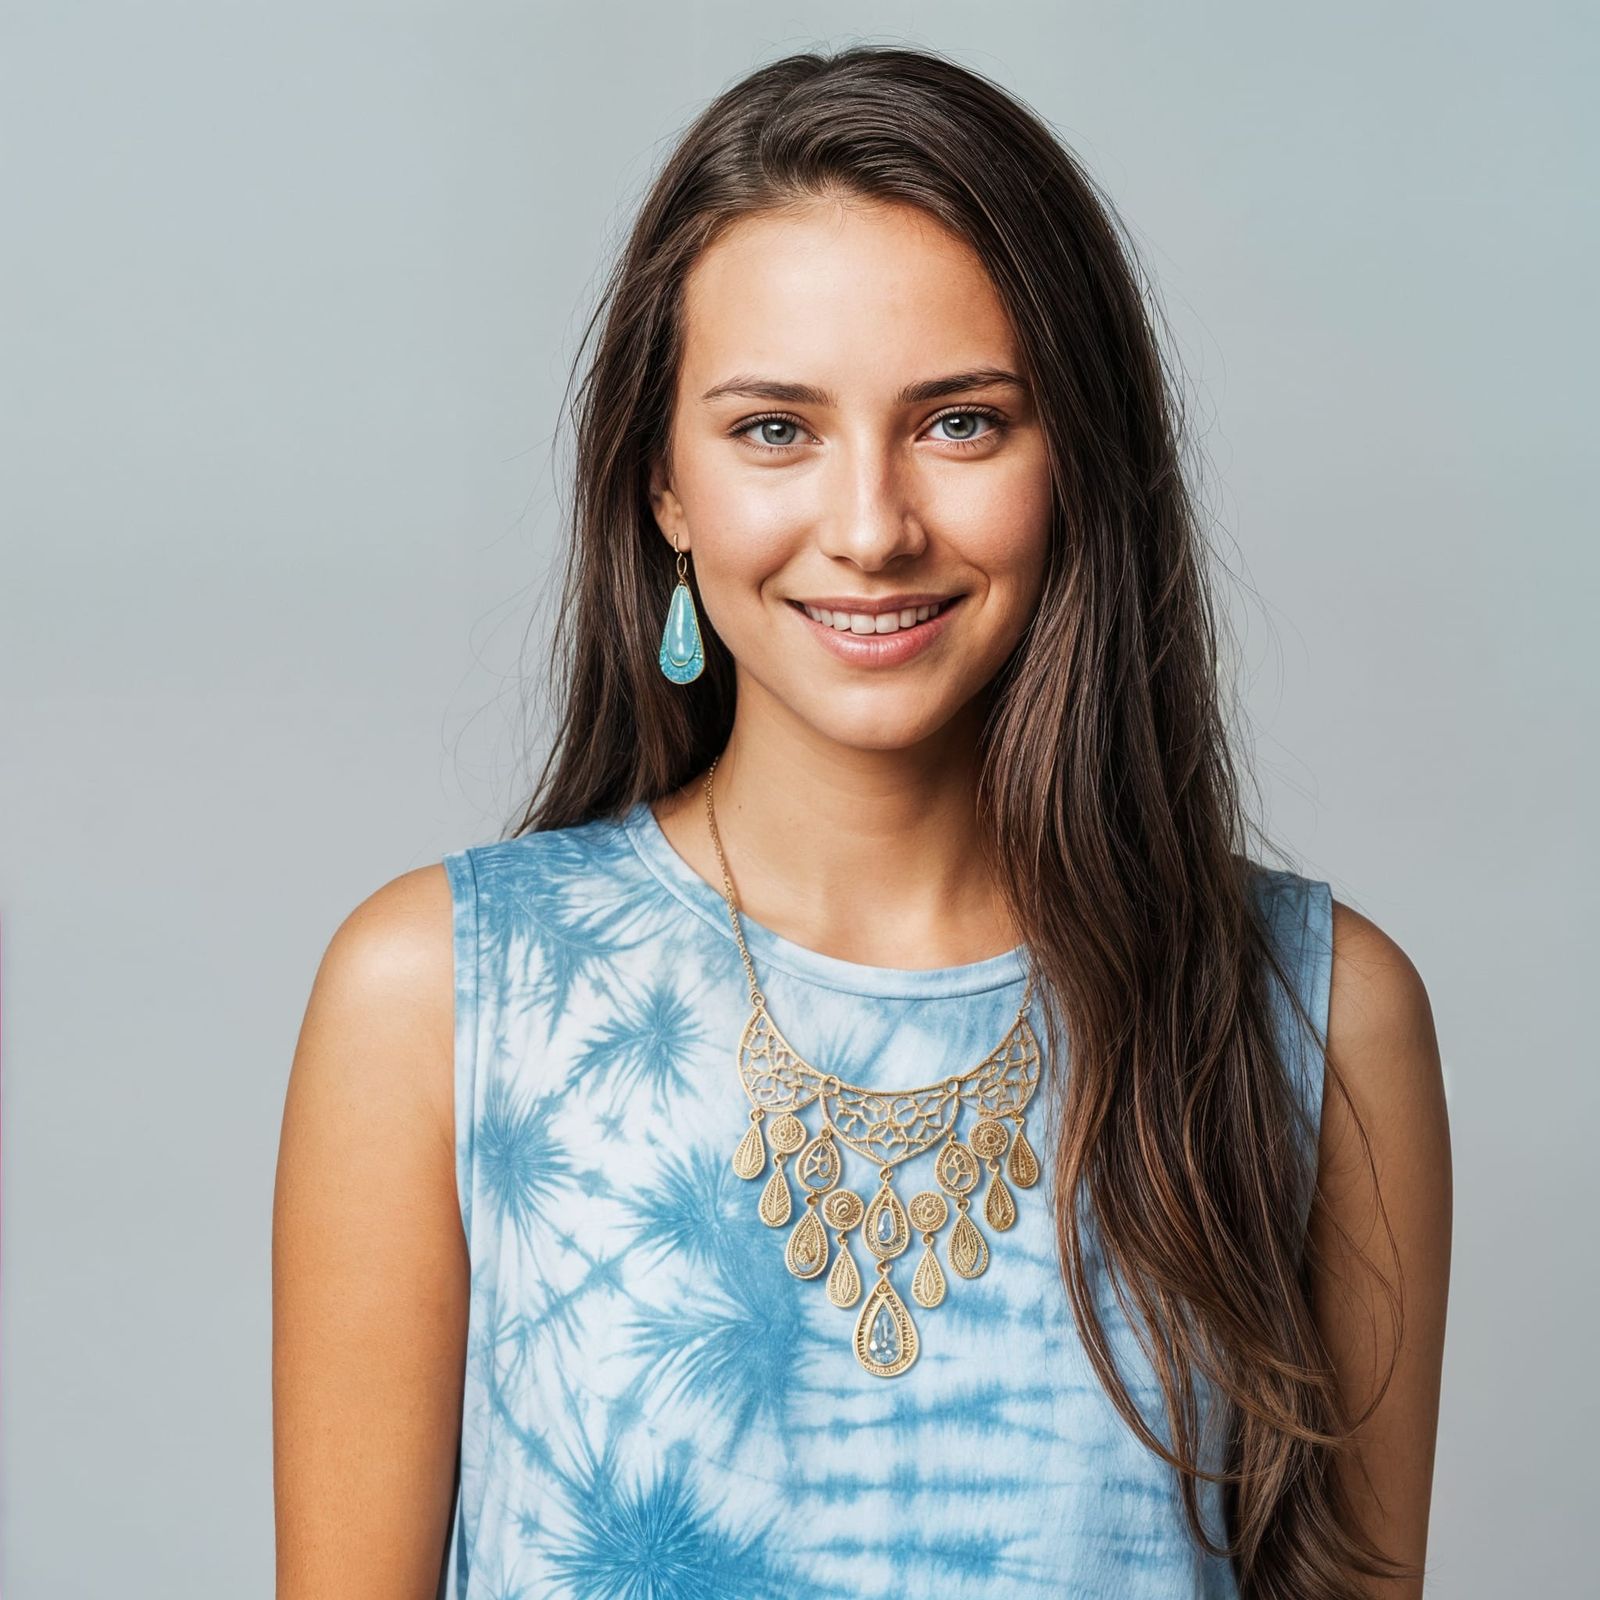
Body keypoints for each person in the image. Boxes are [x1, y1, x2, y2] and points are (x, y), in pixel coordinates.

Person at [272, 44, 1451, 1600]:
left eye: (961, 423)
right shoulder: (435, 1000)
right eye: (775, 429)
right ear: (664, 492)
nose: (872, 527)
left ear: (1079, 464)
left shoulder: (1315, 1013)